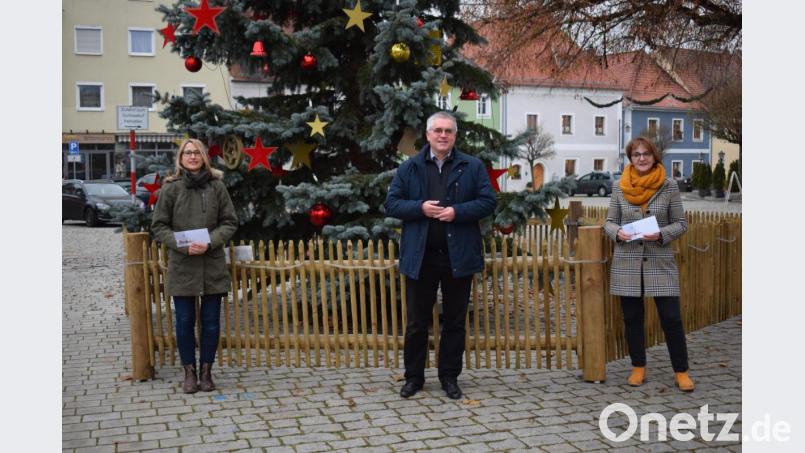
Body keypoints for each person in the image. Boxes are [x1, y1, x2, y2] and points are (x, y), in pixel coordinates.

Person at [384, 112, 497, 399]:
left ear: (455, 136)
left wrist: (458, 212)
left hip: (457, 257)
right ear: (428, 135)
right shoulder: (409, 168)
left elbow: (488, 201)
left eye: (448, 131)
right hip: (420, 257)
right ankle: (413, 378)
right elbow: (392, 204)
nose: (443, 135)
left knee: (455, 322)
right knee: (416, 322)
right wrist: (419, 208)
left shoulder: (472, 166)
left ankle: (449, 377)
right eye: (438, 130)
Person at [604, 137, 694, 392]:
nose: (641, 158)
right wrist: (617, 232)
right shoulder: (619, 187)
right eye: (636, 155)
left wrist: (662, 234)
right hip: (627, 263)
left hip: (659, 262)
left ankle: (681, 371)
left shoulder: (669, 186)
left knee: (672, 319)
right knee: (633, 319)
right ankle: (638, 367)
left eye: (646, 154)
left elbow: (681, 223)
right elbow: (609, 222)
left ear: (654, 157)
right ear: (630, 158)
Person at [152, 139, 237, 394]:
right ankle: (189, 372)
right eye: (187, 153)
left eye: (196, 152)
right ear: (180, 158)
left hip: (211, 263)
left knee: (211, 322)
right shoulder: (171, 189)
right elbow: (159, 226)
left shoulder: (217, 187)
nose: (192, 156)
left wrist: (210, 241)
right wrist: (180, 245)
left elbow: (230, 222)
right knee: (185, 321)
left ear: (204, 157)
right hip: (183, 264)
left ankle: (206, 372)